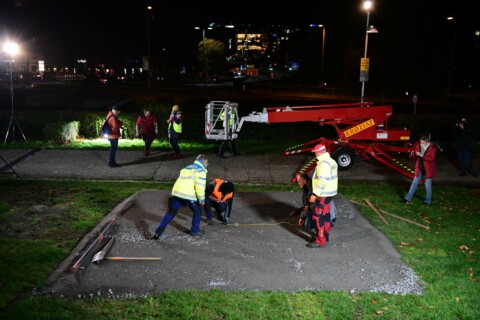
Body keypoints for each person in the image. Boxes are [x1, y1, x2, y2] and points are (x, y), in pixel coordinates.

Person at [152, 154, 209, 239]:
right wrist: (202, 199)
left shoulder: (187, 167)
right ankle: (195, 231)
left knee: (171, 212)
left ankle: (157, 233)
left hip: (177, 193)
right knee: (197, 210)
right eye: (207, 163)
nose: (207, 165)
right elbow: (200, 187)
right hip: (188, 194)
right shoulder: (200, 171)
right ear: (203, 161)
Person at [307, 143, 338, 248]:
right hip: (329, 193)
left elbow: (322, 180)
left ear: (319, 152)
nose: (314, 154)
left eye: (315, 152)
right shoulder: (330, 161)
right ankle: (326, 235)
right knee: (325, 216)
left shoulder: (323, 164)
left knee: (318, 217)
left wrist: (315, 194)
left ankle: (320, 240)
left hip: (322, 194)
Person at [403, 135, 438, 205]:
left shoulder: (433, 148)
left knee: (427, 186)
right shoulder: (418, 146)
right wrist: (412, 154)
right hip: (420, 168)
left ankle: (428, 201)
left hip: (428, 170)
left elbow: (431, 158)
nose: (421, 144)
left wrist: (422, 155)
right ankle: (407, 199)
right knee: (414, 183)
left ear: (427, 142)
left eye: (422, 143)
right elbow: (412, 157)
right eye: (420, 142)